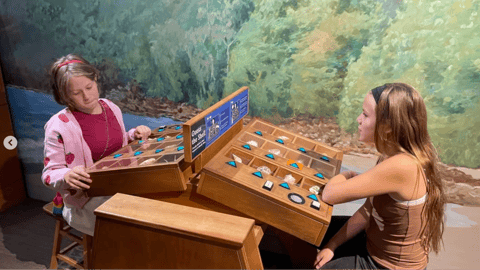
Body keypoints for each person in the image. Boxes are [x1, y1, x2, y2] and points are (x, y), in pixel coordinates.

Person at [314, 83, 446, 269]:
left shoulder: (401, 166)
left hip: (385, 265)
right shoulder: (392, 157)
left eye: (365, 115)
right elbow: (369, 210)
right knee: (314, 229)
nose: (358, 119)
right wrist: (332, 245)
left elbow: (329, 194)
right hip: (373, 243)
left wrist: (347, 174)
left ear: (387, 127)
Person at [41, 54, 152, 236]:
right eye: (76, 93)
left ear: (95, 79)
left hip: (118, 184)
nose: (86, 96)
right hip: (84, 200)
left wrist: (133, 135)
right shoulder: (58, 125)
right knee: (132, 225)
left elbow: (114, 144)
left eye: (89, 87)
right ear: (64, 95)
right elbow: (49, 173)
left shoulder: (110, 107)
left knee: (155, 204)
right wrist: (67, 175)